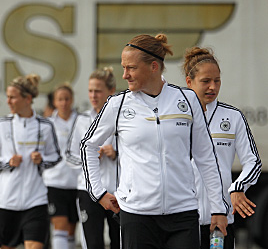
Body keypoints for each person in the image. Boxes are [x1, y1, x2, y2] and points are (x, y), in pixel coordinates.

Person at [80, 34, 228, 248]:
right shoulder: (117, 104)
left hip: (183, 214)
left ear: (153, 67)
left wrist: (218, 209)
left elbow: (206, 157)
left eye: (130, 68)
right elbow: (88, 146)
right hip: (136, 215)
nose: (125, 75)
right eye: (123, 67)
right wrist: (98, 192)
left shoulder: (187, 100)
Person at [183, 47, 262, 249]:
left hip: (219, 220)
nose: (212, 87)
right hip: (181, 220)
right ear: (189, 82)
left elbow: (253, 161)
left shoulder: (233, 117)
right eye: (206, 81)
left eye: (217, 80)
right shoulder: (176, 118)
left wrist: (238, 187)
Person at [0, 74, 61, 249]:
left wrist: (42, 160)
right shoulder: (2, 125)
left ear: (28, 98)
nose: (8, 101)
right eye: (7, 96)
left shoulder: (45, 125)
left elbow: (56, 156)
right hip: (5, 201)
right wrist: (8, 162)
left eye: (13, 97)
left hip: (35, 200)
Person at [66, 67, 120, 249]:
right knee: (93, 243)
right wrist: (88, 158)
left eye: (98, 90)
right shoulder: (81, 119)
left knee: (118, 242)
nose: (93, 95)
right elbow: (69, 156)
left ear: (111, 91)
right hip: (88, 190)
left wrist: (116, 153)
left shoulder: (121, 117)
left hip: (117, 190)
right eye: (90, 90)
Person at [42, 84, 80, 249]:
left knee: (72, 229)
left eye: (66, 99)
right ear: (54, 102)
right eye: (60, 99)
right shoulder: (47, 123)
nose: (64, 102)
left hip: (77, 181)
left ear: (71, 100)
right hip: (54, 182)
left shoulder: (81, 120)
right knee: (60, 225)